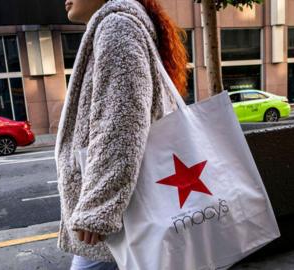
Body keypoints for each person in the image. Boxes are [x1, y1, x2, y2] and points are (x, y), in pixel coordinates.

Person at [55, 0, 189, 269]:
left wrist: (98, 208)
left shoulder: (117, 27)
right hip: (127, 211)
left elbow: (121, 121)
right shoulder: (123, 24)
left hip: (117, 220)